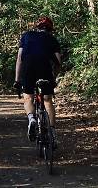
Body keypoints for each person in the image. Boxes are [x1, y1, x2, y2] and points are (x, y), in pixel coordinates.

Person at [13, 16, 62, 146]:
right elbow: (58, 63)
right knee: (47, 100)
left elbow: (19, 59)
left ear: (37, 27)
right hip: (45, 68)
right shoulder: (52, 39)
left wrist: (17, 80)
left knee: (28, 98)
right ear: (50, 29)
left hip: (28, 67)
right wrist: (53, 78)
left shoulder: (27, 35)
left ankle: (32, 118)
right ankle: (52, 133)